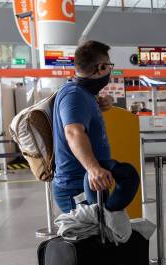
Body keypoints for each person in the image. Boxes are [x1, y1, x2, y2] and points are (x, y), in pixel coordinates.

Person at [52, 40, 139, 213]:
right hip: (77, 186)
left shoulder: (84, 93)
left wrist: (100, 105)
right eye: (109, 66)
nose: (110, 70)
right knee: (92, 237)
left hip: (91, 181)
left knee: (103, 229)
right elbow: (73, 132)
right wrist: (93, 169)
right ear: (100, 68)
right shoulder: (74, 94)